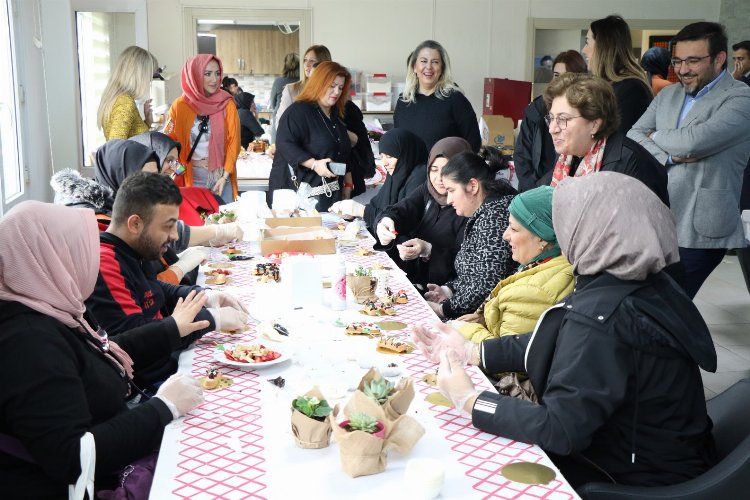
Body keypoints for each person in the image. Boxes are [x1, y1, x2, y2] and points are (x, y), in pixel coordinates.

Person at [415, 172, 717, 490]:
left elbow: (560, 429)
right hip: (667, 454)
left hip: (634, 478)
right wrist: (474, 351)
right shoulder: (638, 278)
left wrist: (471, 400)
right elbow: (559, 337)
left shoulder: (603, 315)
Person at [0, 201, 208, 497]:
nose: (91, 264)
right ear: (49, 259)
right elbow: (73, 458)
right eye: (78, 252)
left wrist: (174, 329)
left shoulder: (50, 306)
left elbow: (99, 355)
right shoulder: (27, 342)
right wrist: (164, 407)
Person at [86, 172, 248, 386]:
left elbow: (154, 291)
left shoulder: (132, 249)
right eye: (168, 226)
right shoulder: (105, 262)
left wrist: (204, 296)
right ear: (135, 224)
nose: (175, 236)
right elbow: (136, 339)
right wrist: (211, 319)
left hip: (166, 361)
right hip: (147, 382)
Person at [628, 22, 750, 298]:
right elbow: (634, 135)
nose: (683, 69)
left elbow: (695, 142)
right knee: (652, 305)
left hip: (702, 229)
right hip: (657, 218)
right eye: (678, 61)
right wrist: (670, 153)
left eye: (693, 60)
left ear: (719, 59)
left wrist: (655, 135)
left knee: (668, 305)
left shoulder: (741, 99)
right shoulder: (669, 94)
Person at [452, 186, 574, 347]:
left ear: (543, 238)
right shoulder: (546, 265)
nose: (505, 236)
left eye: (514, 229)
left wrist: (464, 330)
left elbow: (506, 358)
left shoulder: (535, 292)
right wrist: (485, 320)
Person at [543, 73, 670, 206]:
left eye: (562, 119)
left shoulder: (630, 163)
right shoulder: (567, 158)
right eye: (551, 118)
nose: (552, 129)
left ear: (594, 124)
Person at [422, 148, 517, 319]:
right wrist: (448, 290)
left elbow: (487, 284)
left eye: (451, 190)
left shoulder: (495, 218)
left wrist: (444, 309)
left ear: (473, 186)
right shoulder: (485, 212)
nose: (449, 199)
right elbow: (475, 274)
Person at [376, 137, 472, 289]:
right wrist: (387, 221)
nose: (439, 178)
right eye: (434, 170)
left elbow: (468, 262)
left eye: (447, 170)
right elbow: (404, 209)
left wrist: (429, 250)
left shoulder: (471, 205)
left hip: (447, 291)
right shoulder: (428, 190)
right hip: (416, 281)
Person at [269, 61, 352, 211]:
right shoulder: (298, 112)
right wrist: (314, 164)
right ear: (319, 83)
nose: (336, 92)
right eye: (332, 86)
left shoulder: (334, 114)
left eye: (340, 87)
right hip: (298, 198)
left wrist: (348, 183)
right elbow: (284, 143)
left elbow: (342, 151)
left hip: (327, 195)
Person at [165, 54, 241, 203]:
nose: (214, 80)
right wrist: (181, 170)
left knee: (223, 222)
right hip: (188, 181)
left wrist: (224, 177)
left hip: (220, 180)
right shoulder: (179, 107)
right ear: (194, 75)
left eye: (217, 73)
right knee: (194, 224)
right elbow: (167, 146)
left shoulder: (227, 104)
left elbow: (234, 143)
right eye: (207, 74)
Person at [514, 50, 587, 191]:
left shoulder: (584, 114)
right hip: (531, 190)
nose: (558, 81)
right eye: (556, 75)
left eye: (566, 76)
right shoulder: (536, 109)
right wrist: (532, 190)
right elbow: (521, 155)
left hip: (565, 189)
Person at [329, 128, 427, 233]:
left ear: (405, 154)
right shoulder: (395, 176)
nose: (384, 163)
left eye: (389, 157)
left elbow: (403, 218)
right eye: (382, 157)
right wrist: (350, 214)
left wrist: (362, 211)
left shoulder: (420, 177)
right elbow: (376, 206)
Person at [394, 40, 481, 152]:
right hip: (411, 169)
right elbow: (398, 142)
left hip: (447, 169)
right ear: (414, 67)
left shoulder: (456, 100)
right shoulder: (404, 100)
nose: (429, 67)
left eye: (435, 62)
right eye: (423, 61)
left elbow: (473, 143)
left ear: (443, 68)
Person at [582, 15, 653, 134]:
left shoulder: (633, 89)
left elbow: (624, 142)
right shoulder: (607, 87)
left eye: (587, 42)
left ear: (603, 46)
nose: (583, 50)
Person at [98, 46, 158, 140]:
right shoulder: (125, 103)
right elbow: (115, 147)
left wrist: (147, 122)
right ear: (139, 76)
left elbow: (134, 138)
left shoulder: (120, 99)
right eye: (148, 77)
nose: (149, 82)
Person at [275, 45, 332, 130]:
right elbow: (280, 123)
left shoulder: (333, 90)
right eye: (305, 60)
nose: (307, 64)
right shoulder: (291, 89)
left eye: (312, 61)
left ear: (323, 64)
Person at [270, 52, 300, 142]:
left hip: (279, 119)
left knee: (276, 149)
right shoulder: (301, 82)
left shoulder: (278, 81)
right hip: (298, 121)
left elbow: (273, 103)